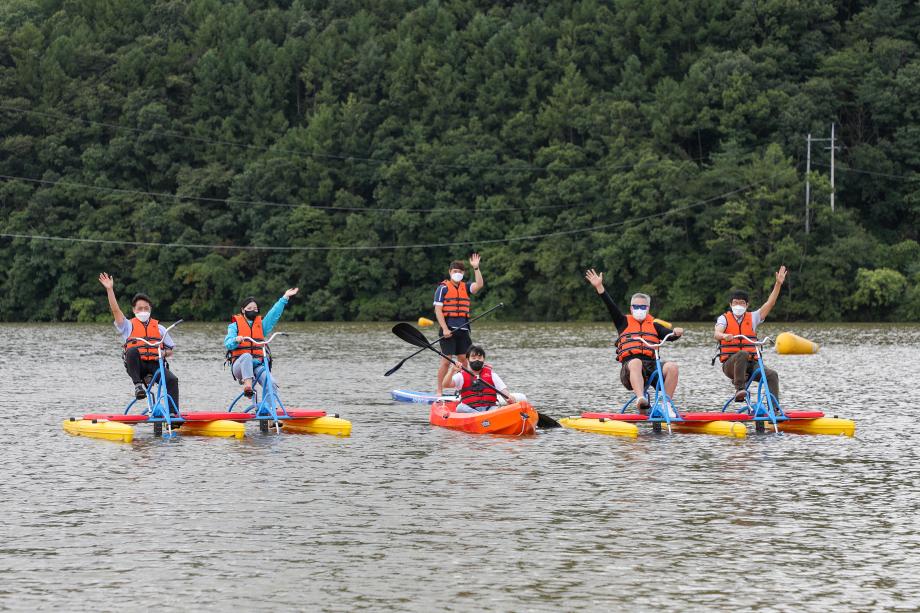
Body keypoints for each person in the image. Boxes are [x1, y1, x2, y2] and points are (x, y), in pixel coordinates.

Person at [585, 269, 683, 414]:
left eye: (642, 307)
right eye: (636, 307)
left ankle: (666, 406)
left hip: (651, 367)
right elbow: (610, 305)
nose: (639, 309)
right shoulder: (622, 321)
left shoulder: (655, 324)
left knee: (672, 367)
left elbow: (670, 335)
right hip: (629, 368)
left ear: (648, 308)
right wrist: (600, 287)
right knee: (636, 361)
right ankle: (640, 399)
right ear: (631, 308)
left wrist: (677, 332)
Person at [98, 272, 180, 410]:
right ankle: (138, 386)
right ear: (134, 310)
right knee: (131, 350)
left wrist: (163, 353)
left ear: (150, 309)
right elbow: (115, 310)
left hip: (155, 365)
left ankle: (173, 414)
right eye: (140, 308)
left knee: (172, 380)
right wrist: (109, 289)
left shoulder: (160, 328)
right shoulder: (127, 325)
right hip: (138, 367)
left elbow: (170, 350)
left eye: (146, 308)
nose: (143, 311)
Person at [714, 266, 787, 402]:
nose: (738, 305)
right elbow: (717, 333)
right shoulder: (724, 319)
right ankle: (740, 390)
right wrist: (724, 336)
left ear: (747, 305)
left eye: (742, 303)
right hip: (731, 364)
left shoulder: (752, 317)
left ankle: (774, 408)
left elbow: (770, 304)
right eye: (736, 303)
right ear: (730, 304)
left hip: (751, 363)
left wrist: (778, 284)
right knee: (742, 354)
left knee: (771, 375)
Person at [224, 288, 299, 397]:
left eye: (255, 308)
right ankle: (248, 387)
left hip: (257, 365)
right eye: (249, 308)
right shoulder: (234, 326)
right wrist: (236, 339)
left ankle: (267, 410)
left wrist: (285, 297)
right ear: (243, 310)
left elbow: (273, 314)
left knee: (271, 383)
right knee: (246, 356)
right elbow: (228, 343)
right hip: (239, 366)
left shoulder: (261, 326)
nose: (252, 310)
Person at [433, 254, 484, 396]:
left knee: (464, 360)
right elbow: (438, 310)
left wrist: (476, 268)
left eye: (460, 272)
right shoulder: (442, 288)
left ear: (463, 274)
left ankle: (464, 389)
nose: (457, 274)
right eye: (455, 271)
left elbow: (479, 285)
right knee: (446, 362)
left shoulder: (466, 287)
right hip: (448, 331)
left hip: (463, 330)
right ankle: (439, 390)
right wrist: (444, 328)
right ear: (450, 272)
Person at [441, 346, 524, 413]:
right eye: (473, 357)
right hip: (469, 410)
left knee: (498, 409)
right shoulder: (461, 376)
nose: (477, 360)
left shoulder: (492, 375)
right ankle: (480, 415)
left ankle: (484, 416)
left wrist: (509, 397)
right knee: (460, 408)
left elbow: (505, 393)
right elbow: (445, 385)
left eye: (479, 357)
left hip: (490, 409)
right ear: (467, 360)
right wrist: (452, 370)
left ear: (483, 359)